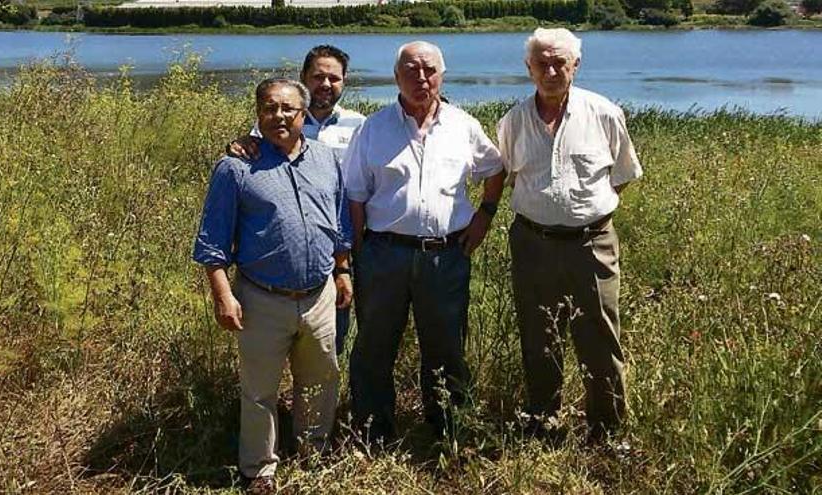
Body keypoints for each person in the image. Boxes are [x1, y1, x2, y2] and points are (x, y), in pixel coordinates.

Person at [193, 78, 352, 494]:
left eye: (287, 109)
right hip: (261, 298)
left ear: (303, 114)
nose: (278, 116)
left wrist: (343, 270)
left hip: (319, 295)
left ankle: (313, 450)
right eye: (269, 108)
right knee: (259, 390)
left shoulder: (325, 159)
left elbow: (339, 222)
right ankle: (259, 469)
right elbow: (212, 242)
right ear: (258, 113)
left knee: (321, 379)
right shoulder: (236, 167)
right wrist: (223, 296)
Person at [344, 41, 505, 442]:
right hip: (384, 254)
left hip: (445, 257)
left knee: (447, 348)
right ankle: (373, 431)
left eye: (429, 70)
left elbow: (496, 168)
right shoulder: (372, 128)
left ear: (442, 74)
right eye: (411, 71)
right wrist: (359, 255)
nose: (421, 78)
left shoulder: (463, 125)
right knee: (374, 348)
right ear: (396, 77)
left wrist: (485, 215)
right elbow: (355, 196)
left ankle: (449, 429)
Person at [497, 28, 643, 442]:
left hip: (591, 245)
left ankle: (608, 431)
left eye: (560, 62)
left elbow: (622, 176)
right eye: (542, 63)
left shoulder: (604, 113)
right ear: (529, 69)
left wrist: (584, 213)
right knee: (538, 337)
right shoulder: (513, 120)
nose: (551, 70)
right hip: (532, 244)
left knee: (600, 338)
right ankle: (545, 424)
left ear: (575, 65)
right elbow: (510, 177)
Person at [228, 45, 366, 356]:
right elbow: (250, 161)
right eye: (318, 77)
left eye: (334, 78)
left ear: (345, 81)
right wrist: (238, 143)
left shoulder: (360, 126)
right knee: (273, 339)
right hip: (282, 254)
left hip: (341, 248)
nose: (326, 84)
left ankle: (321, 393)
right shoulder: (274, 122)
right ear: (303, 79)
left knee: (330, 336)